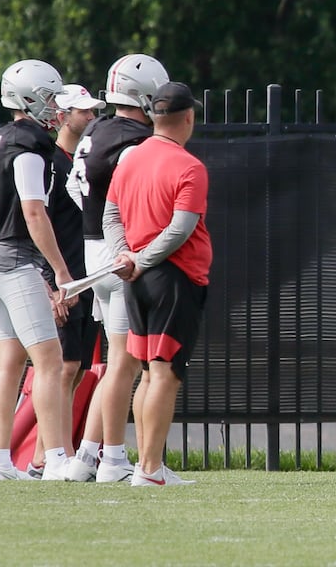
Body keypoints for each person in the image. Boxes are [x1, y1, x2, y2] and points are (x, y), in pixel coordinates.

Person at [0, 58, 79, 481]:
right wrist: (61, 272)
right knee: (49, 362)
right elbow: (34, 212)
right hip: (16, 258)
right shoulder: (29, 145)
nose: (56, 107)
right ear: (30, 99)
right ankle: (55, 458)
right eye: (51, 98)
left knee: (10, 362)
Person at [105, 81, 213, 487]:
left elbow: (110, 216)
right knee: (164, 373)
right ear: (188, 117)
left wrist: (126, 257)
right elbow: (180, 230)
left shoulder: (130, 159)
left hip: (136, 278)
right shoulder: (189, 166)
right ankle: (149, 469)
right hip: (174, 278)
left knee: (149, 373)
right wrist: (140, 258)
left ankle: (148, 466)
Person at [67, 53, 169, 482]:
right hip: (120, 251)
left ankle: (85, 457)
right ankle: (112, 459)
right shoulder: (134, 142)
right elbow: (136, 200)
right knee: (125, 364)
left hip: (95, 247)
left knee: (116, 360)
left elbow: (77, 190)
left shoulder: (95, 129)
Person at [31, 83, 106, 480]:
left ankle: (47, 453)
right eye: (84, 112)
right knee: (63, 366)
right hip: (63, 277)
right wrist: (51, 279)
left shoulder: (83, 159)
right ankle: (51, 456)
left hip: (86, 273)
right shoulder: (47, 161)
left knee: (76, 369)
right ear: (61, 115)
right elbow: (36, 223)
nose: (91, 118)